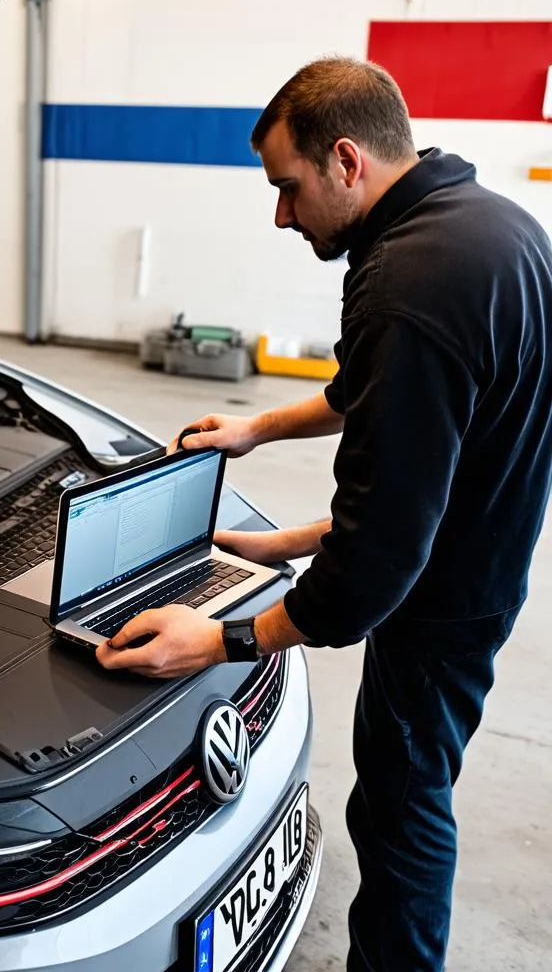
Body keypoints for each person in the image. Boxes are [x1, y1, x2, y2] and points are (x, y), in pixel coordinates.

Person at [96, 57, 552, 971]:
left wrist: (220, 640)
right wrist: (261, 433)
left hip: (438, 605)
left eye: (287, 188)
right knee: (410, 793)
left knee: (402, 808)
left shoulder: (405, 284)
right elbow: (400, 405)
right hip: (484, 559)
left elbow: (374, 572)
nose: (281, 215)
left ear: (346, 160)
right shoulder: (492, 227)